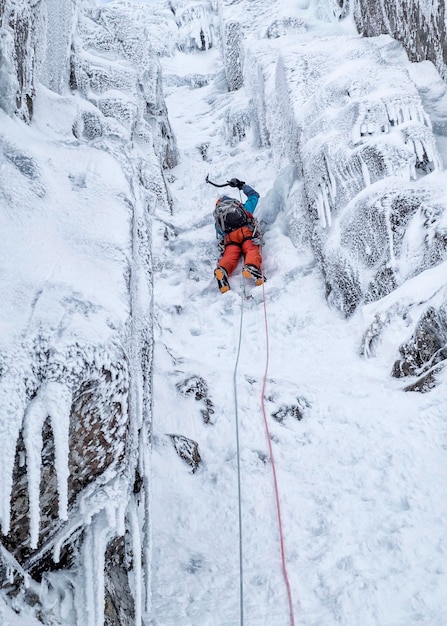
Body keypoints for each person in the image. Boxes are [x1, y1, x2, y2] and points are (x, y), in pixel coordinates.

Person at [213, 178, 264, 293]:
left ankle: (223, 271)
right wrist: (242, 186)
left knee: (230, 255)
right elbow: (254, 196)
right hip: (245, 232)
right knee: (251, 249)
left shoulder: (219, 219)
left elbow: (220, 232)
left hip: (230, 238)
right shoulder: (243, 208)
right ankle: (251, 267)